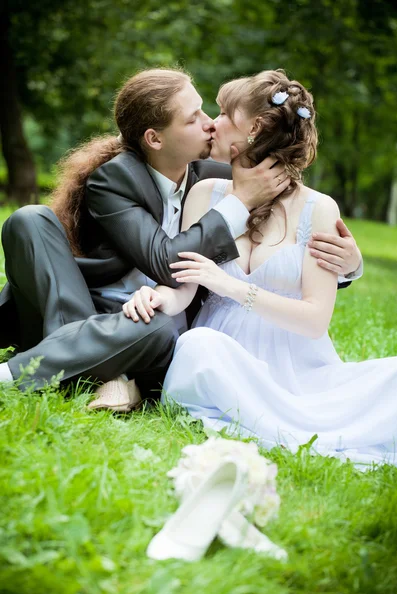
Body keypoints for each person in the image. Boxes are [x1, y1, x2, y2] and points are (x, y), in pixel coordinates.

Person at [0, 68, 361, 405]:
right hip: (97, 310)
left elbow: (287, 219)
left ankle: (60, 369)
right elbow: (166, 261)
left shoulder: (220, 176)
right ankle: (99, 371)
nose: (209, 125)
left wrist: (348, 266)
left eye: (208, 112)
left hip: (151, 323)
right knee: (30, 219)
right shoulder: (115, 179)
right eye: (193, 119)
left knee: (155, 326)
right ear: (154, 138)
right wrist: (239, 202)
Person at [126, 70, 397, 468]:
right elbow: (184, 286)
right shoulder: (205, 194)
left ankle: (287, 417)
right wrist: (158, 294)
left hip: (295, 366)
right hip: (221, 357)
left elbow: (314, 321)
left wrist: (230, 287)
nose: (211, 124)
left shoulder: (317, 209)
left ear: (253, 129)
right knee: (199, 346)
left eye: (222, 114)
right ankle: (270, 419)